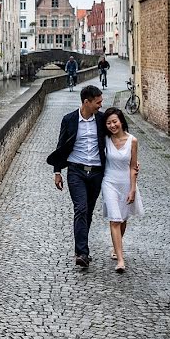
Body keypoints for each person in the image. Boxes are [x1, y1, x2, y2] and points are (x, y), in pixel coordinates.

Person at [46, 85, 107, 268]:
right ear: (86, 102)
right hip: (76, 170)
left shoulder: (102, 119)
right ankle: (82, 253)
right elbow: (60, 146)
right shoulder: (69, 120)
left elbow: (118, 137)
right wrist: (57, 172)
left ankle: (81, 247)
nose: (100, 105)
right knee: (80, 208)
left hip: (96, 172)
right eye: (98, 102)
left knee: (87, 211)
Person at [101, 107, 143, 273]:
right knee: (115, 219)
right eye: (109, 123)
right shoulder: (104, 139)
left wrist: (132, 189)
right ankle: (120, 259)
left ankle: (115, 247)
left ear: (121, 122)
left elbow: (133, 167)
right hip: (109, 182)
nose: (112, 125)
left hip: (125, 183)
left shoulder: (133, 140)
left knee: (123, 219)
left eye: (115, 121)